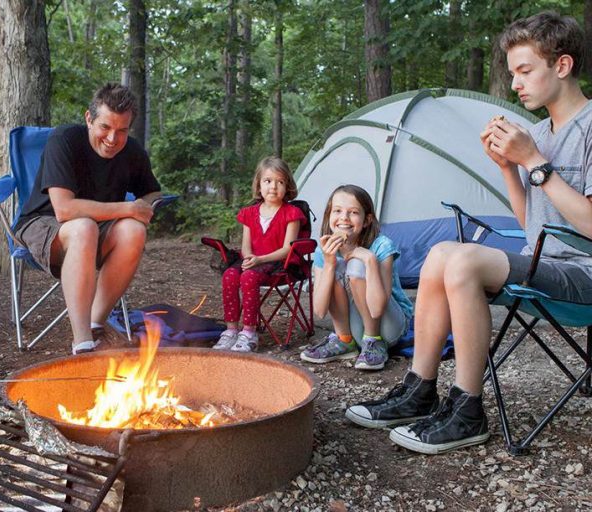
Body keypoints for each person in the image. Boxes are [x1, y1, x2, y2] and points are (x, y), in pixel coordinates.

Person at [345, 11, 592, 454]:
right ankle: (420, 390)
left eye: (524, 70)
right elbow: (529, 225)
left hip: (584, 273)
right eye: (512, 72)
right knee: (441, 252)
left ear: (562, 65)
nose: (515, 83)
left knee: (462, 259)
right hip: (544, 264)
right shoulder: (537, 132)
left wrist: (533, 162)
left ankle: (467, 410)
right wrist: (507, 169)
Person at [14, 83, 161, 355]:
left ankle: (95, 325)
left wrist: (144, 206)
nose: (113, 139)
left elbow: (152, 192)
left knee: (133, 231)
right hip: (43, 225)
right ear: (88, 119)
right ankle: (82, 343)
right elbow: (64, 210)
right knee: (84, 227)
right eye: (105, 127)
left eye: (122, 131)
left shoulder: (132, 152)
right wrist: (128, 209)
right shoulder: (65, 139)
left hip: (96, 232)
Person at [300, 185, 413, 370]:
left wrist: (369, 260)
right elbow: (319, 311)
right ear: (329, 216)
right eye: (337, 211)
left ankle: (373, 341)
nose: (344, 218)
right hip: (356, 322)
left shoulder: (381, 246)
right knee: (335, 268)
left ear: (366, 220)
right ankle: (344, 340)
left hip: (389, 325)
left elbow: (377, 310)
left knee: (356, 264)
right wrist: (329, 264)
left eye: (353, 212)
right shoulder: (324, 250)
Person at [213, 156, 305, 352]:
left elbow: (288, 249)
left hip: (279, 263)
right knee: (230, 274)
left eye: (280, 182)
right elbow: (246, 246)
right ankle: (231, 330)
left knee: (248, 276)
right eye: (268, 181)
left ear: (287, 186)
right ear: (259, 185)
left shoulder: (292, 213)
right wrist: (248, 258)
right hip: (253, 259)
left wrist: (259, 260)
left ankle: (249, 332)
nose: (273, 187)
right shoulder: (249, 213)